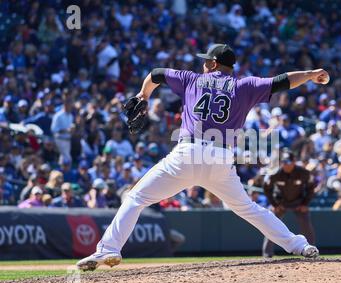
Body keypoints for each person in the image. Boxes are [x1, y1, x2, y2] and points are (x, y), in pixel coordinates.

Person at [77, 43, 328, 270]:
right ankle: (298, 245)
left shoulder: (191, 79)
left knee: (136, 197)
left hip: (188, 153)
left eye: (206, 60)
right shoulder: (245, 85)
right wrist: (310, 74)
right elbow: (283, 81)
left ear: (214, 63)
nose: (203, 63)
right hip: (220, 157)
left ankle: (108, 250)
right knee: (249, 209)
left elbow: (156, 74)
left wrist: (143, 95)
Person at [262, 150, 316, 258]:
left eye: (288, 162)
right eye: (284, 162)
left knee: (306, 226)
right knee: (271, 225)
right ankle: (267, 254)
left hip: (298, 203)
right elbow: (267, 188)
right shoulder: (275, 173)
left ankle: (312, 250)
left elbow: (311, 188)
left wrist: (305, 204)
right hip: (280, 203)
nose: (286, 165)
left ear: (294, 161)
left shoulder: (303, 172)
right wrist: (275, 204)